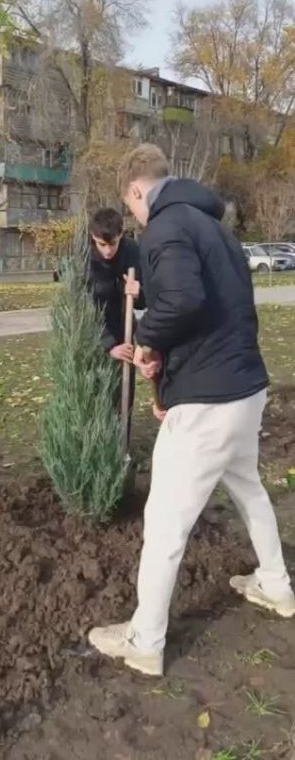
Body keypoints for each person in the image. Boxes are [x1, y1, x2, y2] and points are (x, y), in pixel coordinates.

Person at [89, 144, 295, 677]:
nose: (135, 217)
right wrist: (171, 372)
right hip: (245, 388)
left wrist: (147, 345)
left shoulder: (165, 226)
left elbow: (182, 302)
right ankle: (275, 584)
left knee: (164, 521)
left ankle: (145, 639)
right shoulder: (216, 231)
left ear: (137, 190)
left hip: (211, 402)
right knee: (247, 487)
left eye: (131, 206)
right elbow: (211, 309)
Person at [88, 208, 145, 437]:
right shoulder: (83, 257)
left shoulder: (132, 252)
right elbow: (82, 309)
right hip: (92, 336)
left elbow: (143, 303)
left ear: (122, 235)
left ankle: (122, 447)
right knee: (96, 396)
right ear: (93, 238)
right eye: (102, 244)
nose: (108, 250)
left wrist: (140, 292)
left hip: (125, 330)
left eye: (114, 243)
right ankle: (97, 446)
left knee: (123, 397)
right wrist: (108, 346)